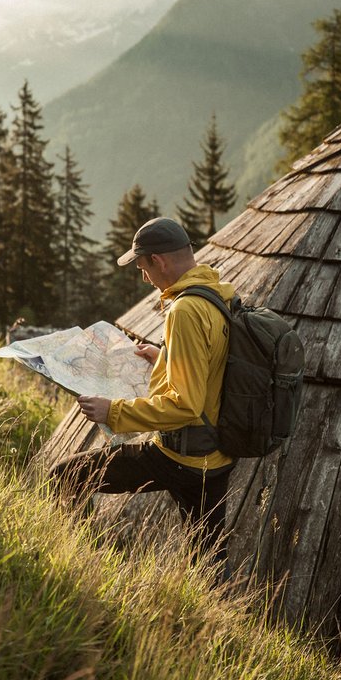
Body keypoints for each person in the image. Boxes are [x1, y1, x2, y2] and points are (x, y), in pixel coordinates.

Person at [50, 216, 236, 572]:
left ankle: (86, 568)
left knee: (66, 477)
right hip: (216, 456)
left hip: (180, 457)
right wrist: (163, 357)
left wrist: (112, 412)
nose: (143, 276)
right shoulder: (216, 293)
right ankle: (216, 619)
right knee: (209, 559)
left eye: (141, 266)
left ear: (159, 261)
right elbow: (212, 365)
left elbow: (185, 404)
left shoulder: (184, 311)